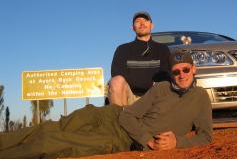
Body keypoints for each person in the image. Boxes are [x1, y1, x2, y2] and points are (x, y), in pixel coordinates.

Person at [0, 51, 212, 159]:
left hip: (121, 138)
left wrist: (178, 143)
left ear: (194, 70)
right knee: (52, 125)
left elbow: (205, 136)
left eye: (185, 70)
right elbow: (128, 115)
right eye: (176, 71)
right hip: (113, 117)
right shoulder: (161, 88)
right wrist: (148, 139)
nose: (181, 75)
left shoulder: (201, 97)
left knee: (48, 143)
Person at [107, 11, 170, 106]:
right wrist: (148, 82)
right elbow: (117, 75)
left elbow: (166, 74)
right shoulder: (122, 49)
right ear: (133, 27)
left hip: (155, 97)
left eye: (145, 20)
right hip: (130, 98)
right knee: (116, 81)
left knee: (163, 84)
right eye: (137, 21)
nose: (142, 23)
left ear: (152, 25)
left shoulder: (163, 49)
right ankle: (122, 119)